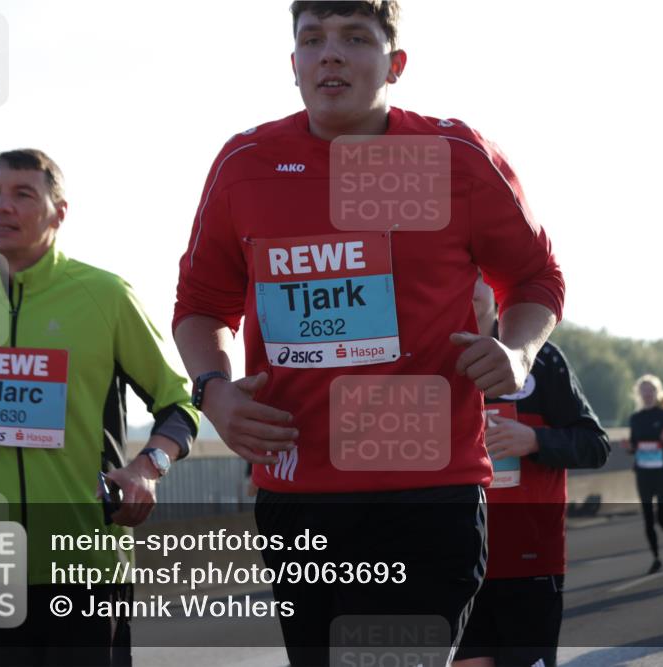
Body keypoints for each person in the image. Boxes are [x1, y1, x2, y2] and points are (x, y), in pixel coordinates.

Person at [171, 2, 566, 663]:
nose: (331, 53)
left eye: (356, 38)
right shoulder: (245, 163)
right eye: (312, 39)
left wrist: (517, 349)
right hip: (296, 493)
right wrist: (214, 389)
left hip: (427, 489)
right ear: (293, 65)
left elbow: (535, 277)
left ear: (395, 63)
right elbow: (201, 305)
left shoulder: (453, 156)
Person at [0, 149, 199, 666]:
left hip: (86, 567)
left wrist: (148, 468)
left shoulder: (104, 295)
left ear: (59, 212)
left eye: (22, 194)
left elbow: (178, 404)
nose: (1, 207)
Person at [452, 277, 609, 667]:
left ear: (496, 291)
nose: (466, 284)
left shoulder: (543, 359)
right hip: (452, 564)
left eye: (478, 276)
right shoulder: (421, 362)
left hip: (528, 561)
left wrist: (534, 440)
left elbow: (595, 445)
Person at [622, 375, 663, 574]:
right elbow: (634, 446)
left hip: (662, 472)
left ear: (657, 393)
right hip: (643, 473)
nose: (647, 394)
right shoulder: (635, 418)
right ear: (638, 394)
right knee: (648, 517)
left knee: (662, 517)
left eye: (651, 391)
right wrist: (629, 448)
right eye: (644, 391)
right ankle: (656, 558)